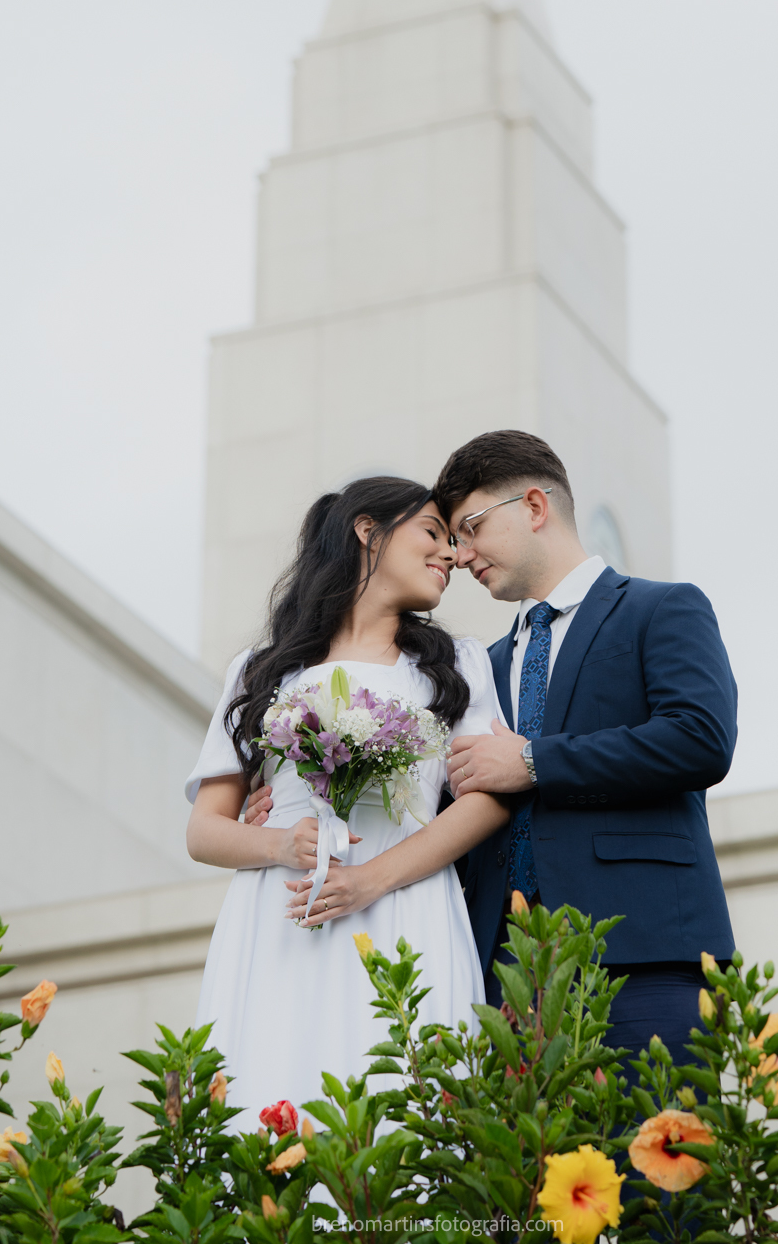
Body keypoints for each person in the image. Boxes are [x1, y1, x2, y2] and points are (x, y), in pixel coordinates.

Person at [185, 476, 508, 1116]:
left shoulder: (456, 664)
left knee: (404, 1099)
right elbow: (204, 831)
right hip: (281, 913)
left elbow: (487, 801)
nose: (450, 554)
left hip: (403, 907)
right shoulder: (261, 670)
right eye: (433, 534)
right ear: (368, 530)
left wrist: (371, 882)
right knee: (270, 1089)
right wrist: (282, 842)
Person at [433, 430, 738, 1070]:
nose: (459, 557)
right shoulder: (477, 672)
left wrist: (534, 762)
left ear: (535, 507)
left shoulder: (662, 609)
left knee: (659, 1163)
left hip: (644, 955)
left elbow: (700, 738)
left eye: (470, 528)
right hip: (504, 981)